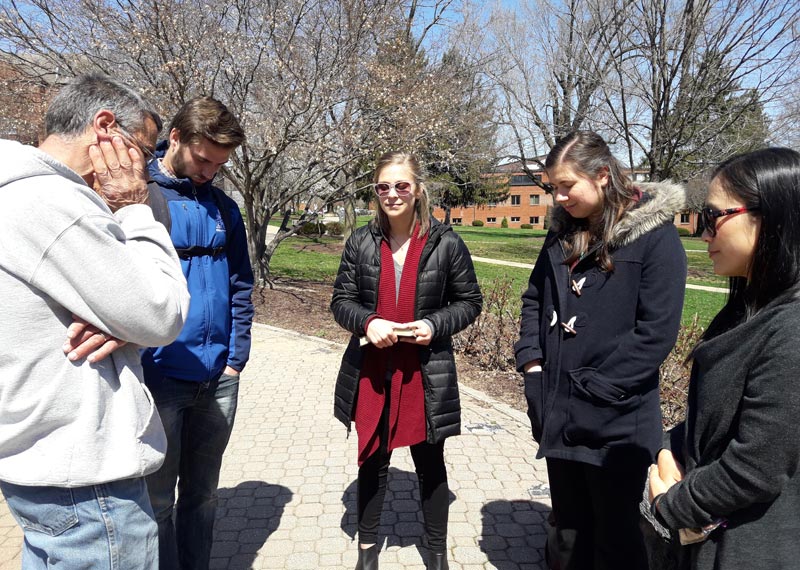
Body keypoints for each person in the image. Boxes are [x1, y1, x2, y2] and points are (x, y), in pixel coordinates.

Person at [0, 74, 190, 569]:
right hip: (87, 481)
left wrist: (120, 316)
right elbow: (162, 312)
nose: (146, 170)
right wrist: (133, 207)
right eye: (145, 151)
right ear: (104, 128)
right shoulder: (52, 203)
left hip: (41, 468)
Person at [514, 130, 687, 569]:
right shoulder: (561, 235)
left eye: (566, 186)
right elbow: (535, 298)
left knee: (615, 537)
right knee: (569, 532)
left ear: (603, 175)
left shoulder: (657, 239)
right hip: (557, 411)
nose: (558, 197)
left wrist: (596, 387)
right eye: (553, 187)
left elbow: (656, 333)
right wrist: (533, 367)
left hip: (616, 422)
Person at [648, 148, 800, 569]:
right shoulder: (748, 307)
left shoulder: (792, 329)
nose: (703, 234)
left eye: (713, 217)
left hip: (748, 551)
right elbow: (711, 422)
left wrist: (670, 506)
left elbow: (757, 467)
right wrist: (668, 448)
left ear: (769, 216)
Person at [331, 151, 482, 570]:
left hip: (425, 371)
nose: (392, 194)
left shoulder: (446, 242)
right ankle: (367, 552)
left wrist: (436, 325)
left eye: (401, 185)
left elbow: (470, 302)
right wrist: (367, 322)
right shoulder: (362, 241)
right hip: (373, 371)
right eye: (383, 187)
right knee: (372, 461)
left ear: (417, 190)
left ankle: (436, 553)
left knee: (430, 464)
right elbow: (340, 301)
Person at [139, 96, 254, 570]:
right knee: (158, 501)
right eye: (203, 159)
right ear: (178, 137)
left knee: (203, 496)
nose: (209, 170)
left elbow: (241, 285)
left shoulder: (225, 209)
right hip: (160, 377)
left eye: (220, 163)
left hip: (218, 377)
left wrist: (235, 357)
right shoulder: (137, 197)